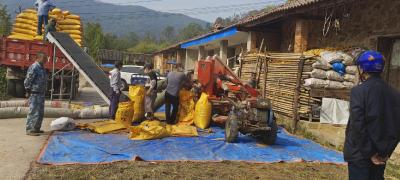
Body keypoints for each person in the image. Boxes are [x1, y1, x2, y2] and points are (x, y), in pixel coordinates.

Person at [344, 50, 400, 180]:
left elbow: (358, 125)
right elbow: (397, 126)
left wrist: (370, 153)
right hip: (381, 154)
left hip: (360, 154)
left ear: (362, 68)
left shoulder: (359, 91)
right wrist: (385, 153)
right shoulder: (395, 94)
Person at [24, 52, 48, 136]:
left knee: (40, 112)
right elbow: (28, 80)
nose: (46, 60)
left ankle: (36, 128)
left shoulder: (42, 68)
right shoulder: (34, 67)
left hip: (41, 93)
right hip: (34, 93)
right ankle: (30, 130)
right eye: (44, 58)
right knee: (33, 111)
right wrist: (27, 90)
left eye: (46, 58)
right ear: (38, 58)